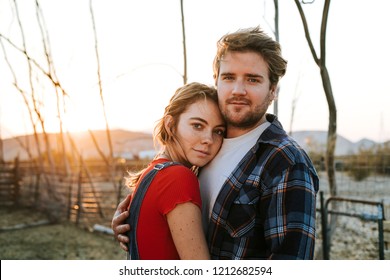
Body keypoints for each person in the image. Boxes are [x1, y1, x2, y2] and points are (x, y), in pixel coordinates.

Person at [112, 27, 319, 260]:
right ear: (217, 81)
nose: (238, 90)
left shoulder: (285, 161)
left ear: (272, 90)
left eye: (252, 79)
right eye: (229, 77)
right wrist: (134, 219)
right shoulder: (204, 150)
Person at [120, 82, 226, 260]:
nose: (209, 139)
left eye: (218, 131)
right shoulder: (178, 177)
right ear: (170, 125)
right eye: (197, 126)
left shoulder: (153, 172)